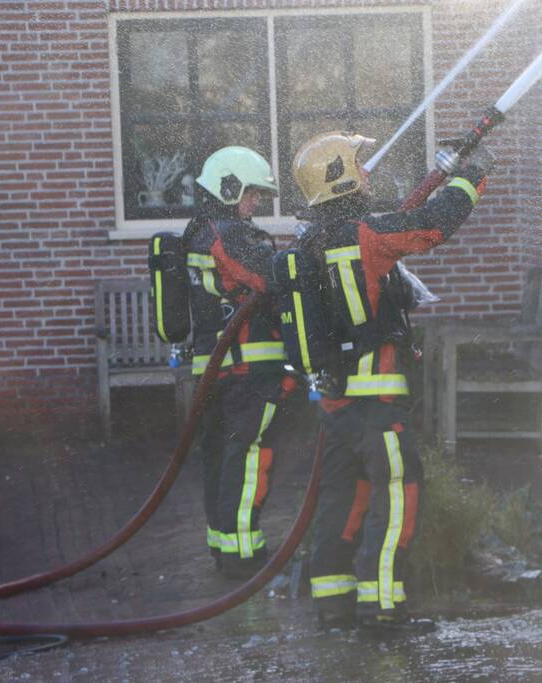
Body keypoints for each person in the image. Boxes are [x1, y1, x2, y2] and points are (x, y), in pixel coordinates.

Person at [291, 132, 490, 633]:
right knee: (398, 493)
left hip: (335, 404)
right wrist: (471, 174)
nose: (367, 172)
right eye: (358, 164)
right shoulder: (363, 235)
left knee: (344, 498)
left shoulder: (310, 241)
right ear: (340, 177)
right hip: (376, 400)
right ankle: (382, 607)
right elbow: (433, 225)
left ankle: (334, 602)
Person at [185, 146, 295, 579]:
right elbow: (271, 279)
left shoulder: (199, 231)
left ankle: (224, 545)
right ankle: (243, 555)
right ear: (227, 187)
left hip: (215, 370)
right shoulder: (230, 235)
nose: (255, 203)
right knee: (249, 456)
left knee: (220, 456)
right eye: (250, 193)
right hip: (248, 371)